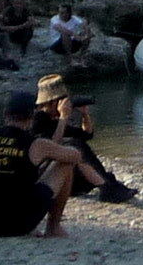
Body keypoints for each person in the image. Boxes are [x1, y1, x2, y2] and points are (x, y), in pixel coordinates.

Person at [0, 89, 96, 238]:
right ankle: (53, 227)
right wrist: (62, 124)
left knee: (13, 175)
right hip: (14, 225)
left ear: (5, 113)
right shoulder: (34, 144)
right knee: (65, 164)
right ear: (32, 115)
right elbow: (75, 156)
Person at [31, 74, 133, 202]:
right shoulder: (38, 119)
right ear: (52, 102)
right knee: (74, 145)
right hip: (45, 176)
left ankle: (108, 185)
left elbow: (87, 134)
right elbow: (50, 147)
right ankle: (106, 188)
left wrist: (85, 114)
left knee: (78, 144)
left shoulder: (54, 120)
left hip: (62, 175)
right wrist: (63, 118)